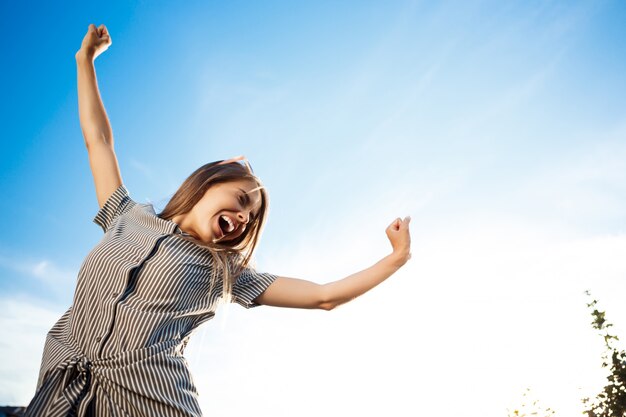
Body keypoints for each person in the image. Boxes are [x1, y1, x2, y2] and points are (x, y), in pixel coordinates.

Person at [24, 24, 412, 417]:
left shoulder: (224, 270)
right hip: (61, 395)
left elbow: (323, 296)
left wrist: (394, 260)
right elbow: (98, 141)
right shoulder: (125, 215)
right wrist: (85, 59)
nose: (244, 217)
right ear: (213, 178)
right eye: (242, 200)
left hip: (149, 402)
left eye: (251, 218)